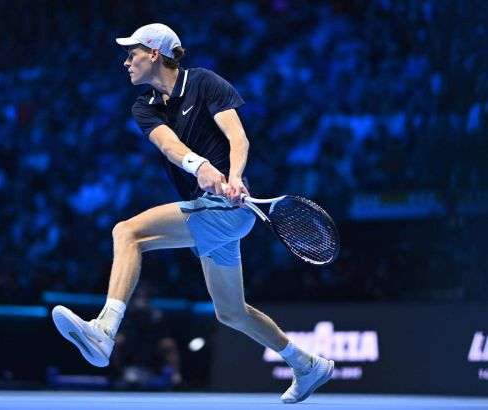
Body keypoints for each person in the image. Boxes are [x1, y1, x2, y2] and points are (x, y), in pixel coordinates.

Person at [52, 23, 334, 403]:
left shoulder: (204, 83)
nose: (126, 62)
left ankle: (104, 330)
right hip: (208, 209)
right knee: (231, 312)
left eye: (131, 53)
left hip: (227, 209)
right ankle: (306, 363)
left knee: (127, 232)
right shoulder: (144, 106)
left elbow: (238, 137)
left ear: (154, 53)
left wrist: (233, 177)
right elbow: (169, 146)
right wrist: (199, 166)